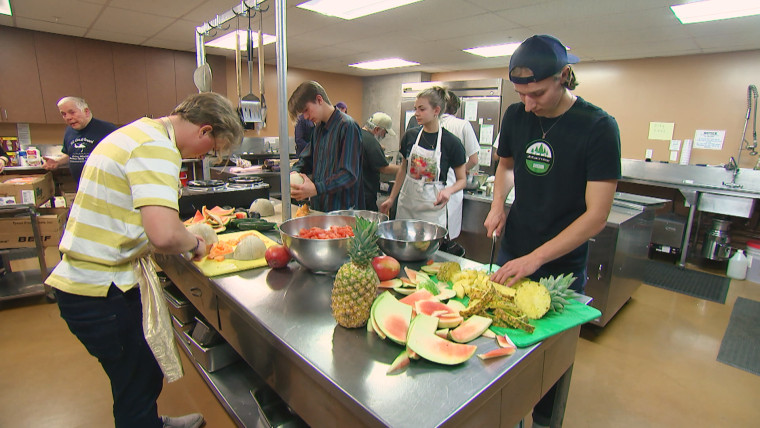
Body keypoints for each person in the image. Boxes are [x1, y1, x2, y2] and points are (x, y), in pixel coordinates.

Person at [45, 92, 244, 428]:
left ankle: (150, 423)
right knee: (135, 381)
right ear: (204, 131)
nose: (203, 156)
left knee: (140, 372)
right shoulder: (157, 148)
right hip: (100, 289)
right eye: (210, 149)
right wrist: (194, 241)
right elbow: (164, 235)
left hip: (90, 280)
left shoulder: (139, 132)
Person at [483, 35, 621, 428]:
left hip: (561, 264)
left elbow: (596, 216)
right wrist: (498, 205)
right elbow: (506, 166)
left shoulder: (598, 127)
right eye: (521, 94)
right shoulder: (515, 116)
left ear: (564, 77)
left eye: (537, 93)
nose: (529, 104)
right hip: (514, 250)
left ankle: (544, 420)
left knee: (550, 364)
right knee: (505, 346)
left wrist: (536, 258)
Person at [380, 86, 467, 228]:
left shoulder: (452, 143)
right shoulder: (410, 136)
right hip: (407, 205)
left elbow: (462, 180)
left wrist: (448, 191)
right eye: (415, 109)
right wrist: (391, 198)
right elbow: (403, 170)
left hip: (432, 209)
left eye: (422, 109)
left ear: (436, 110)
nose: (416, 113)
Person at [288, 81, 363, 212]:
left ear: (319, 99)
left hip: (341, 212)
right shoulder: (318, 129)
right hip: (319, 208)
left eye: (306, 110)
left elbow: (349, 174)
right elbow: (306, 160)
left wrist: (316, 188)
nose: (305, 117)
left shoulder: (347, 126)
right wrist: (295, 172)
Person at [43, 96, 119, 184]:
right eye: (64, 114)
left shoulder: (108, 130)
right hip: (81, 186)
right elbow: (71, 154)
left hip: (105, 186)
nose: (68, 117)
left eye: (72, 112)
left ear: (86, 111)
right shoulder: (69, 131)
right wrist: (57, 162)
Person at [439, 90, 480, 241]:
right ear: (456, 109)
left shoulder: (431, 124)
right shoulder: (462, 125)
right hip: (452, 187)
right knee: (446, 236)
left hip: (429, 193)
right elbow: (474, 159)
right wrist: (461, 171)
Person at [360, 112, 399, 211]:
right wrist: (404, 168)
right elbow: (384, 168)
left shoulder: (359, 134)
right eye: (384, 133)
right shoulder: (371, 142)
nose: (384, 136)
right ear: (377, 129)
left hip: (356, 191)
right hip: (366, 194)